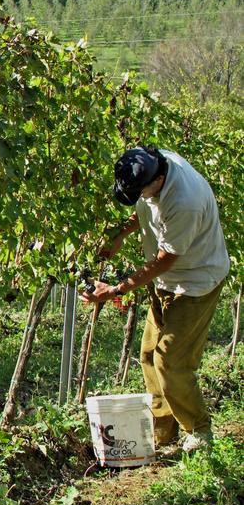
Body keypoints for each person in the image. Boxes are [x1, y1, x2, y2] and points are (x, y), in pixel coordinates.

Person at [83, 147, 229, 453]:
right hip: (166, 281)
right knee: (149, 355)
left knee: (170, 360)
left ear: (159, 180)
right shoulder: (150, 163)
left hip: (195, 282)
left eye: (140, 192)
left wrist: (115, 290)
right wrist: (120, 235)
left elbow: (165, 260)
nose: (137, 198)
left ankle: (199, 431)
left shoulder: (183, 203)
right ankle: (163, 431)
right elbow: (143, 211)